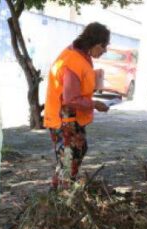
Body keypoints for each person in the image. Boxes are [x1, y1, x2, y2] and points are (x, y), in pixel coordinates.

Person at [43, 22, 111, 191]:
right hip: (65, 119)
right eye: (104, 46)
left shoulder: (78, 54)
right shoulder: (72, 61)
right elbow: (70, 98)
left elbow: (77, 84)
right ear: (95, 43)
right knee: (69, 158)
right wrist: (94, 104)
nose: (104, 51)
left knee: (73, 155)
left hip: (71, 118)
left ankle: (58, 195)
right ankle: (61, 198)